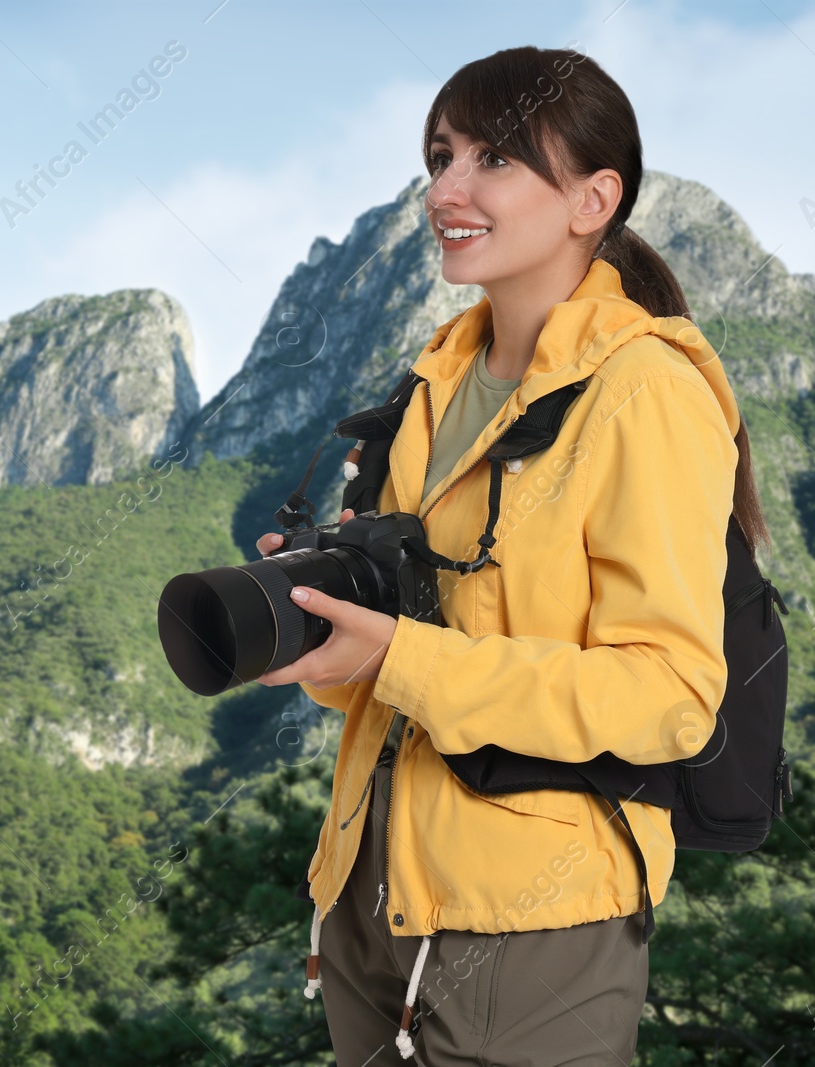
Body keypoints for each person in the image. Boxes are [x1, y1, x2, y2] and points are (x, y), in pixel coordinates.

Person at [255, 45, 769, 1065]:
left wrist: (396, 656)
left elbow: (669, 692)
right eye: (438, 155)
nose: (444, 187)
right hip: (366, 903)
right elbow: (395, 672)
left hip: (532, 930)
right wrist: (324, 630)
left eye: (491, 158)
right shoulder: (429, 388)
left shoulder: (645, 391)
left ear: (592, 198)